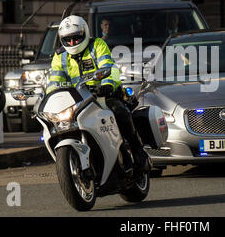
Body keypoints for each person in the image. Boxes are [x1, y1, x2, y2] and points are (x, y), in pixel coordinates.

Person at [46, 15, 149, 171]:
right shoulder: (59, 56)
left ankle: (137, 150)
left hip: (103, 94)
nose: (73, 43)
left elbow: (110, 67)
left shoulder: (97, 45)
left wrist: (107, 85)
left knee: (118, 111)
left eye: (76, 38)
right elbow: (54, 81)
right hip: (77, 99)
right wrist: (51, 98)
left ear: (84, 34)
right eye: (68, 40)